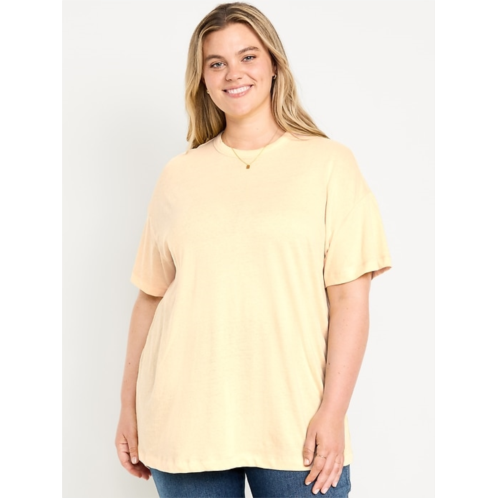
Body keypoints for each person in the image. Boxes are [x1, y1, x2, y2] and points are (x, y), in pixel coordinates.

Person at [115, 2, 392, 497]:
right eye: (216, 63)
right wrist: (127, 409)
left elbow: (350, 298)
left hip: (297, 426)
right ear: (202, 80)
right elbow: (151, 299)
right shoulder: (179, 175)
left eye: (248, 56)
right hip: (185, 423)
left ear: (274, 65)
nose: (233, 73)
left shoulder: (329, 164)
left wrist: (333, 412)